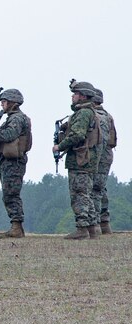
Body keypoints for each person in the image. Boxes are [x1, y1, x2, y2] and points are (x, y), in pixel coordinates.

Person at [54, 80, 102, 239]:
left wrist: (59, 146)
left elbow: (78, 135)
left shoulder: (83, 113)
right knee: (85, 194)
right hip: (86, 159)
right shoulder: (88, 112)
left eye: (75, 94)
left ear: (82, 96)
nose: (73, 97)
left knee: (79, 193)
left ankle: (82, 230)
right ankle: (91, 229)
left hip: (81, 159)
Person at [0, 88, 32, 238]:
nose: (2, 105)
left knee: (11, 194)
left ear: (13, 102)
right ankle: (16, 226)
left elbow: (9, 135)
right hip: (9, 161)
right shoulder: (14, 118)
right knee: (9, 194)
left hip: (14, 162)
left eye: (4, 102)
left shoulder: (17, 118)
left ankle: (16, 227)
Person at [90, 88, 117, 234]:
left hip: (99, 156)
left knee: (94, 189)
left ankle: (95, 225)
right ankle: (104, 223)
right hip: (106, 157)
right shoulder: (108, 115)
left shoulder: (97, 116)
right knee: (101, 189)